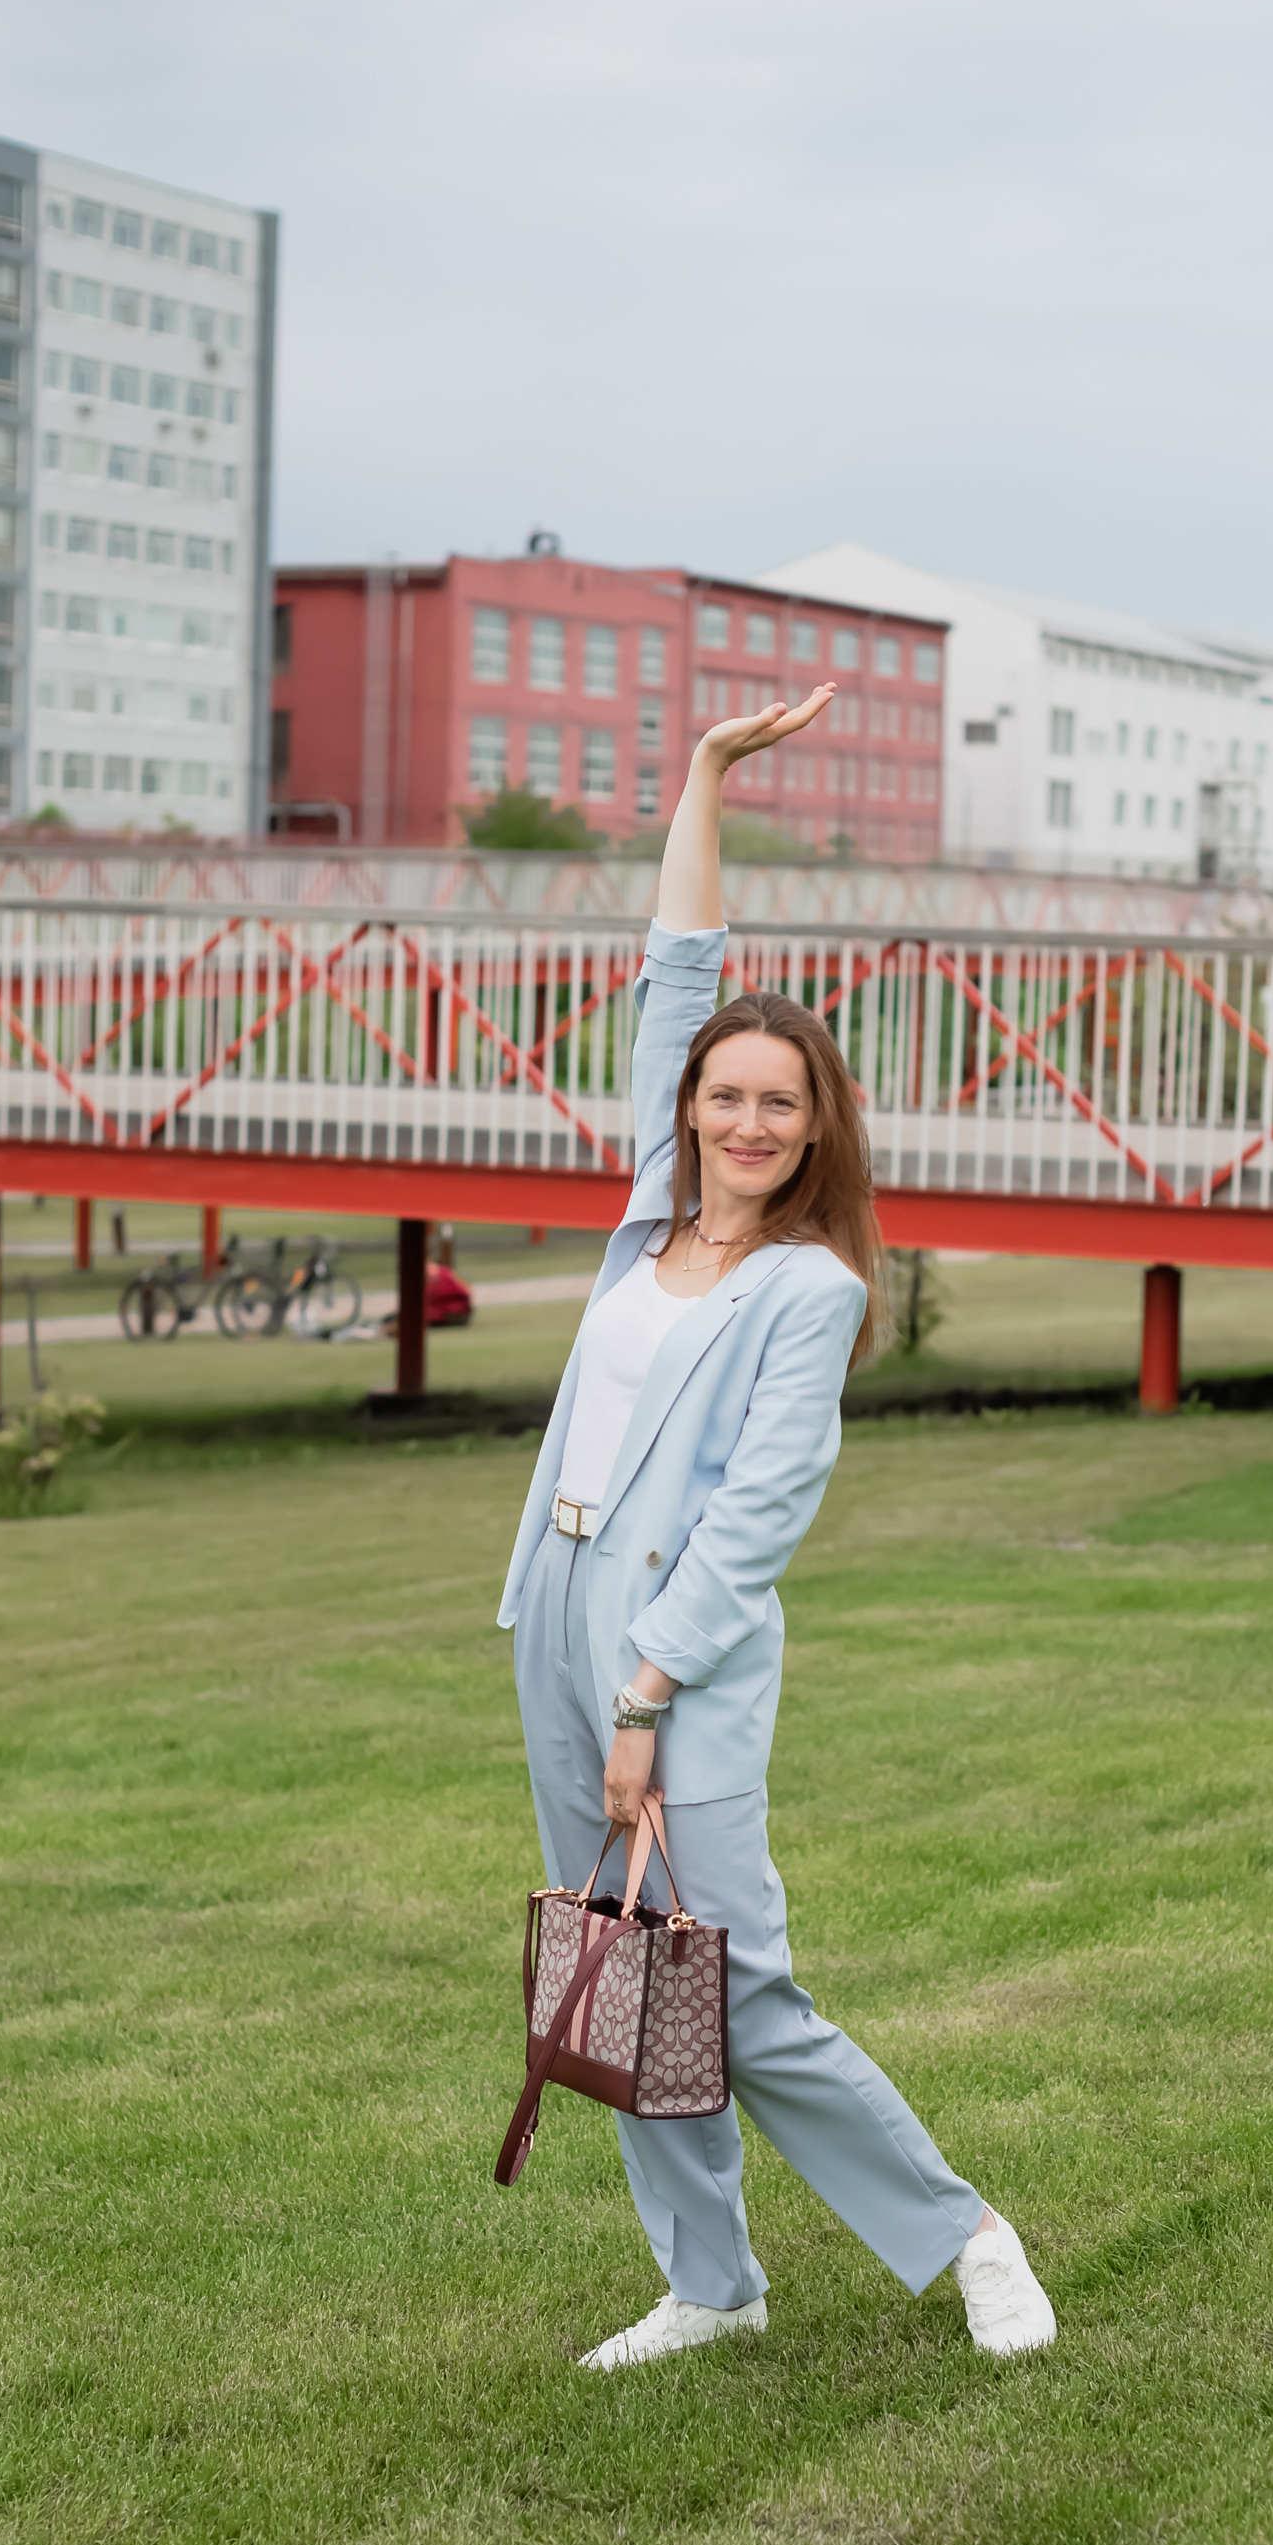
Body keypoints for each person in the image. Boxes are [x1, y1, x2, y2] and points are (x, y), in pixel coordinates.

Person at [498, 686, 1056, 2370]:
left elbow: (763, 1507)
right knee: (623, 1965)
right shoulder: (648, 1221)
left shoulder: (809, 1288)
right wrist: (700, 780)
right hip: (557, 1605)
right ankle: (710, 2283)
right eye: (724, 1094)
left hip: (684, 1652)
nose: (747, 1121)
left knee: (734, 1986)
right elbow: (679, 970)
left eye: (780, 1107)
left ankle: (963, 2230)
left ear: (817, 1132)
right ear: (689, 1105)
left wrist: (655, 1693)